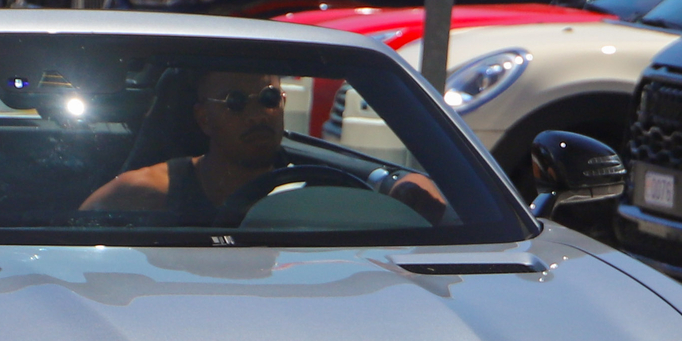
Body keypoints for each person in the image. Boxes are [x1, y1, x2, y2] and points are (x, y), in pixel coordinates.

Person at [80, 71, 441, 224]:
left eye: (268, 99)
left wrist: (408, 189)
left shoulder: (325, 187)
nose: (257, 115)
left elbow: (425, 198)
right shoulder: (145, 192)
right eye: (235, 102)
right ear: (204, 119)